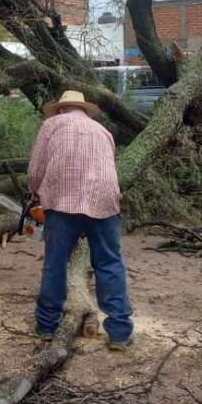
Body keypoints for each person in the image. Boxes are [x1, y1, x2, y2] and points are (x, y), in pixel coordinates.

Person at [27, 90, 134, 350]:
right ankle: (119, 332)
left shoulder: (51, 125)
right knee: (109, 263)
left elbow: (36, 170)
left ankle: (47, 326)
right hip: (104, 200)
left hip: (62, 202)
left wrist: (35, 195)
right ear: (84, 110)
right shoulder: (102, 131)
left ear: (61, 109)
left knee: (55, 263)